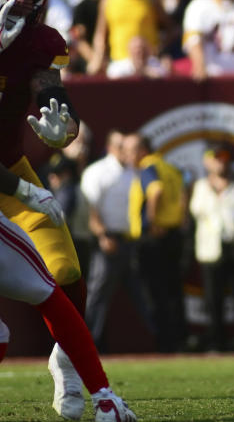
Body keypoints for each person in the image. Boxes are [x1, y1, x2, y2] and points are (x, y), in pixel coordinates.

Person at [0, 0, 93, 419]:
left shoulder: (38, 43)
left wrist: (66, 128)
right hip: (11, 184)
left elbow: (51, 92)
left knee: (67, 271)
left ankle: (66, 359)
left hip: (9, 172)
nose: (17, 1)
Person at [0, 165, 136, 422]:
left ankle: (73, 366)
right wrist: (24, 189)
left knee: (62, 272)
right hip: (13, 189)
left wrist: (68, 128)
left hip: (15, 185)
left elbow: (66, 127)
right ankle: (103, 396)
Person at [82, 130, 149, 351]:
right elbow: (90, 208)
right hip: (108, 241)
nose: (127, 151)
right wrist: (102, 235)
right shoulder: (97, 171)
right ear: (110, 148)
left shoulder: (134, 171)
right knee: (98, 294)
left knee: (143, 293)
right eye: (122, 147)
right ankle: (90, 344)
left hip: (132, 241)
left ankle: (160, 342)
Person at [190, 145, 234, 351]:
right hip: (210, 251)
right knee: (213, 299)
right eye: (214, 157)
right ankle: (216, 342)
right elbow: (190, 222)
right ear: (205, 161)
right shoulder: (198, 187)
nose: (219, 161)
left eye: (224, 156)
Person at [125, 133, 186, 353]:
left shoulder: (148, 168)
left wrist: (151, 222)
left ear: (143, 151)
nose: (127, 155)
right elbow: (183, 195)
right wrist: (181, 220)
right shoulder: (169, 167)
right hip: (173, 234)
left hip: (154, 238)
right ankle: (180, 340)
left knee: (156, 293)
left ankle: (166, 344)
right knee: (173, 291)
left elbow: (156, 190)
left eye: (131, 150)